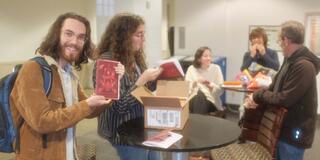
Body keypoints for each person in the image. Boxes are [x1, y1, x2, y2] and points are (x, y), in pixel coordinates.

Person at [9, 12, 115, 160]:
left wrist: (112, 87)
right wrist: (86, 104)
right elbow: (42, 122)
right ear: (56, 35)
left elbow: (89, 111)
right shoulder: (33, 69)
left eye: (81, 37)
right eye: (68, 34)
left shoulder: (69, 73)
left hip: (68, 152)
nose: (74, 42)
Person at [244, 20, 320, 160]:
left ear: (285, 40)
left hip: (294, 134)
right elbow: (274, 87)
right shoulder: (289, 60)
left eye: (279, 39)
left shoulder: (304, 66)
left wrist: (258, 95)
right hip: (283, 129)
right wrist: (255, 98)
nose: (279, 43)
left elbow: (284, 99)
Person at [93, 13, 162, 160]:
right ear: (124, 36)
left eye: (143, 34)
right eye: (139, 35)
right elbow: (119, 107)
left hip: (140, 128)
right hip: (122, 135)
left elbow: (142, 92)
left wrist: (156, 78)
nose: (143, 39)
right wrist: (141, 81)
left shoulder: (135, 57)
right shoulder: (107, 63)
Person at [185, 46, 224, 116]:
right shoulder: (191, 69)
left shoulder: (216, 68)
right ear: (198, 59)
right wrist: (195, 83)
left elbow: (220, 90)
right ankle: (199, 123)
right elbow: (186, 90)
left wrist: (210, 86)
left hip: (211, 101)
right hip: (193, 99)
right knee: (198, 94)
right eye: (205, 56)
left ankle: (197, 123)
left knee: (200, 95)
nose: (209, 58)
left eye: (210, 56)